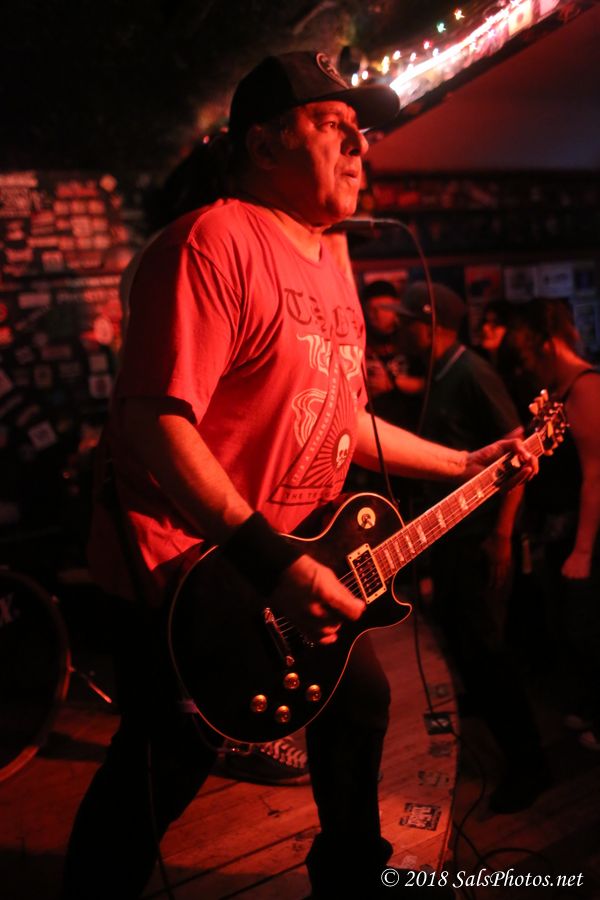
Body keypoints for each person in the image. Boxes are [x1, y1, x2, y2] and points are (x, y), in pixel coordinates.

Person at [60, 51, 536, 899]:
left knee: (359, 703)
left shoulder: (330, 265)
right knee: (163, 769)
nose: (360, 145)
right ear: (262, 144)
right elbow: (154, 422)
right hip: (191, 574)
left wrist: (466, 462)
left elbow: (345, 421)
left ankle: (350, 880)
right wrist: (269, 558)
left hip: (288, 565)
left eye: (362, 131)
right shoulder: (212, 243)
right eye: (333, 125)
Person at [397, 281, 549, 814]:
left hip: (479, 539)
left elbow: (521, 450)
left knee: (488, 649)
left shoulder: (472, 372)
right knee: (464, 642)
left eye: (407, 321)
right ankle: (484, 712)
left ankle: (530, 765)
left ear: (431, 325)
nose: (399, 329)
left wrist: (502, 535)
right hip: (452, 537)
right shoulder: (442, 372)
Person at [500, 298, 600, 752]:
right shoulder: (559, 389)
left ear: (546, 344)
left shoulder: (585, 386)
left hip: (582, 533)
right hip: (559, 530)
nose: (529, 369)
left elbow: (596, 474)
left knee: (585, 628)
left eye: (529, 357)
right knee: (568, 627)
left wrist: (583, 550)